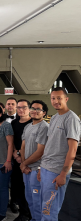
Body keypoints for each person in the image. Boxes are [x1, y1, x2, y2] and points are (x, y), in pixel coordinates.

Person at [38, 87, 80, 220]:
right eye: (53, 98)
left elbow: (72, 150)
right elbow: (50, 145)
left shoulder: (71, 119)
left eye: (59, 98)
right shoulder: (55, 117)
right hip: (46, 168)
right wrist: (41, 167)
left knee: (49, 209)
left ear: (66, 99)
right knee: (44, 206)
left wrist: (63, 174)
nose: (56, 101)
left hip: (56, 171)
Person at [20, 100, 49, 221]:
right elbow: (23, 147)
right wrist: (23, 164)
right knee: (29, 199)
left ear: (44, 113)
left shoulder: (44, 127)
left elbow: (40, 152)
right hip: (26, 169)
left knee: (37, 201)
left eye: (38, 109)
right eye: (33, 108)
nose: (35, 111)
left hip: (37, 170)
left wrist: (24, 164)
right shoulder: (27, 126)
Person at [10, 99, 32, 220]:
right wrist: (15, 153)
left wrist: (22, 157)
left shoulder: (33, 123)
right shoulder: (14, 122)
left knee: (28, 188)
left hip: (29, 160)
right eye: (19, 107)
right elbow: (12, 140)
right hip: (16, 159)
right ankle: (23, 212)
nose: (21, 110)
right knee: (18, 186)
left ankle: (29, 213)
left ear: (29, 109)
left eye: (24, 107)